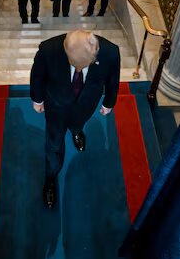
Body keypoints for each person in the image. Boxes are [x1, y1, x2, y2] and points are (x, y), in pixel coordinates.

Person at [31, 30, 120, 207]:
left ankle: (77, 131)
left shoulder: (110, 52)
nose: (79, 70)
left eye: (84, 65)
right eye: (75, 65)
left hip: (86, 105)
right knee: (54, 143)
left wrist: (108, 103)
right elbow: (38, 76)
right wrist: (37, 99)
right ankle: (51, 178)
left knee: (78, 124)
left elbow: (112, 80)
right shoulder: (48, 49)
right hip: (56, 106)